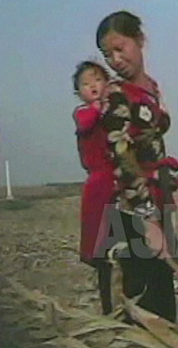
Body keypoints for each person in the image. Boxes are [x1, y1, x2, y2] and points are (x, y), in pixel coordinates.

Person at [96, 10, 178, 323]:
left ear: (140, 40)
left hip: (155, 203)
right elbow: (120, 154)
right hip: (131, 211)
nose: (115, 60)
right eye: (107, 54)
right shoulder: (117, 95)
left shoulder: (152, 89)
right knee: (137, 311)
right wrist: (146, 219)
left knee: (162, 304)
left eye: (120, 49)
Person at [72, 60, 117, 315]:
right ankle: (109, 309)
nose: (92, 86)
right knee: (101, 249)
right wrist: (99, 107)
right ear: (79, 92)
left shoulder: (113, 110)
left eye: (98, 80)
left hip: (119, 180)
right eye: (86, 84)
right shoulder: (83, 112)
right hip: (99, 185)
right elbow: (87, 122)